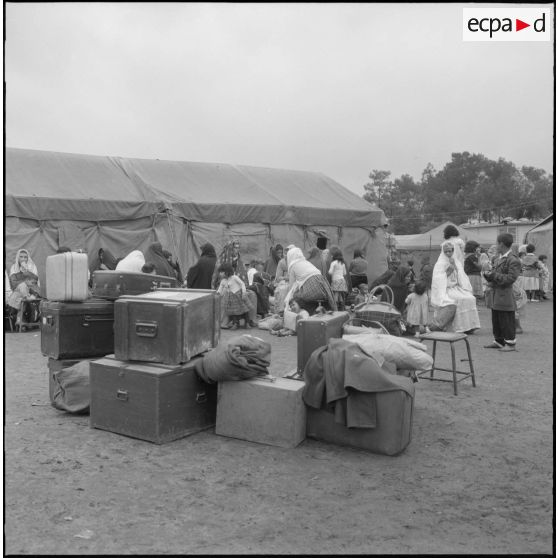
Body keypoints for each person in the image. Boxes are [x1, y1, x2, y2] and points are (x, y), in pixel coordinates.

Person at [429, 241, 480, 334]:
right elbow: (437, 280)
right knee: (460, 299)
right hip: (446, 289)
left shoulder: (456, 261)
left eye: (450, 251)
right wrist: (447, 272)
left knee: (470, 298)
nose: (448, 253)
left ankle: (469, 326)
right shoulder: (440, 263)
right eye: (446, 251)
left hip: (456, 287)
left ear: (453, 251)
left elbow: (462, 276)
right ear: (443, 252)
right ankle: (457, 327)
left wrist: (456, 267)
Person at [482, 233, 522, 352]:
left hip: (505, 294)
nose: (495, 245)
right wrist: (488, 275)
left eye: (496, 243)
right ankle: (499, 341)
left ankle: (510, 344)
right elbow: (495, 274)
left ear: (501, 244)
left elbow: (510, 278)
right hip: (496, 294)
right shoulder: (498, 258)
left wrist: (494, 275)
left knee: (506, 320)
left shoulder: (513, 259)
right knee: (497, 319)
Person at [284, 246, 337, 313]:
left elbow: (291, 286)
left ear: (290, 256)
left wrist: (288, 299)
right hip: (324, 287)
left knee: (295, 296)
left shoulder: (293, 266)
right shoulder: (306, 262)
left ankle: (299, 313)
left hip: (312, 290)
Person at [216, 262, 253, 330]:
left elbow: (242, 284)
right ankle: (236, 323)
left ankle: (247, 323)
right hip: (231, 299)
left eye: (221, 272)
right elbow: (220, 289)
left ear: (227, 272)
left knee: (244, 309)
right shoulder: (223, 281)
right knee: (233, 311)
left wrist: (244, 292)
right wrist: (217, 294)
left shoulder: (234, 277)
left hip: (239, 296)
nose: (220, 274)